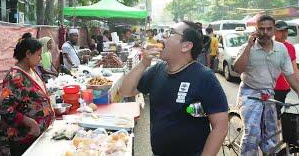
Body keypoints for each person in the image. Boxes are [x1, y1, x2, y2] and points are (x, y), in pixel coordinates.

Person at [119, 21, 228, 156]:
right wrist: (143, 64)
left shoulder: (205, 77)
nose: (162, 37)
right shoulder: (157, 70)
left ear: (186, 46)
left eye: (170, 33)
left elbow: (221, 126)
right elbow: (126, 91)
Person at [233, 15, 299, 155]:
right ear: (256, 30)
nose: (265, 33)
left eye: (269, 29)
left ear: (274, 30)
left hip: (269, 93)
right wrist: (249, 46)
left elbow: (290, 76)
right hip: (249, 93)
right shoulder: (248, 47)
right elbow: (238, 69)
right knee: (252, 133)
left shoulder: (281, 49)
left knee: (272, 136)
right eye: (261, 29)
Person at [0, 35, 55, 156]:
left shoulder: (31, 69)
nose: (40, 58)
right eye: (39, 55)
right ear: (28, 54)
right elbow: (5, 109)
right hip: (24, 138)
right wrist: (30, 123)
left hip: (38, 135)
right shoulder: (15, 77)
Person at [274, 20, 299, 119]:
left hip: (284, 88)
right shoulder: (269, 45)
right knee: (273, 115)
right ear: (274, 31)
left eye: (286, 31)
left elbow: (294, 69)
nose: (284, 34)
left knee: (278, 114)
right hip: (271, 89)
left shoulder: (290, 47)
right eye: (281, 31)